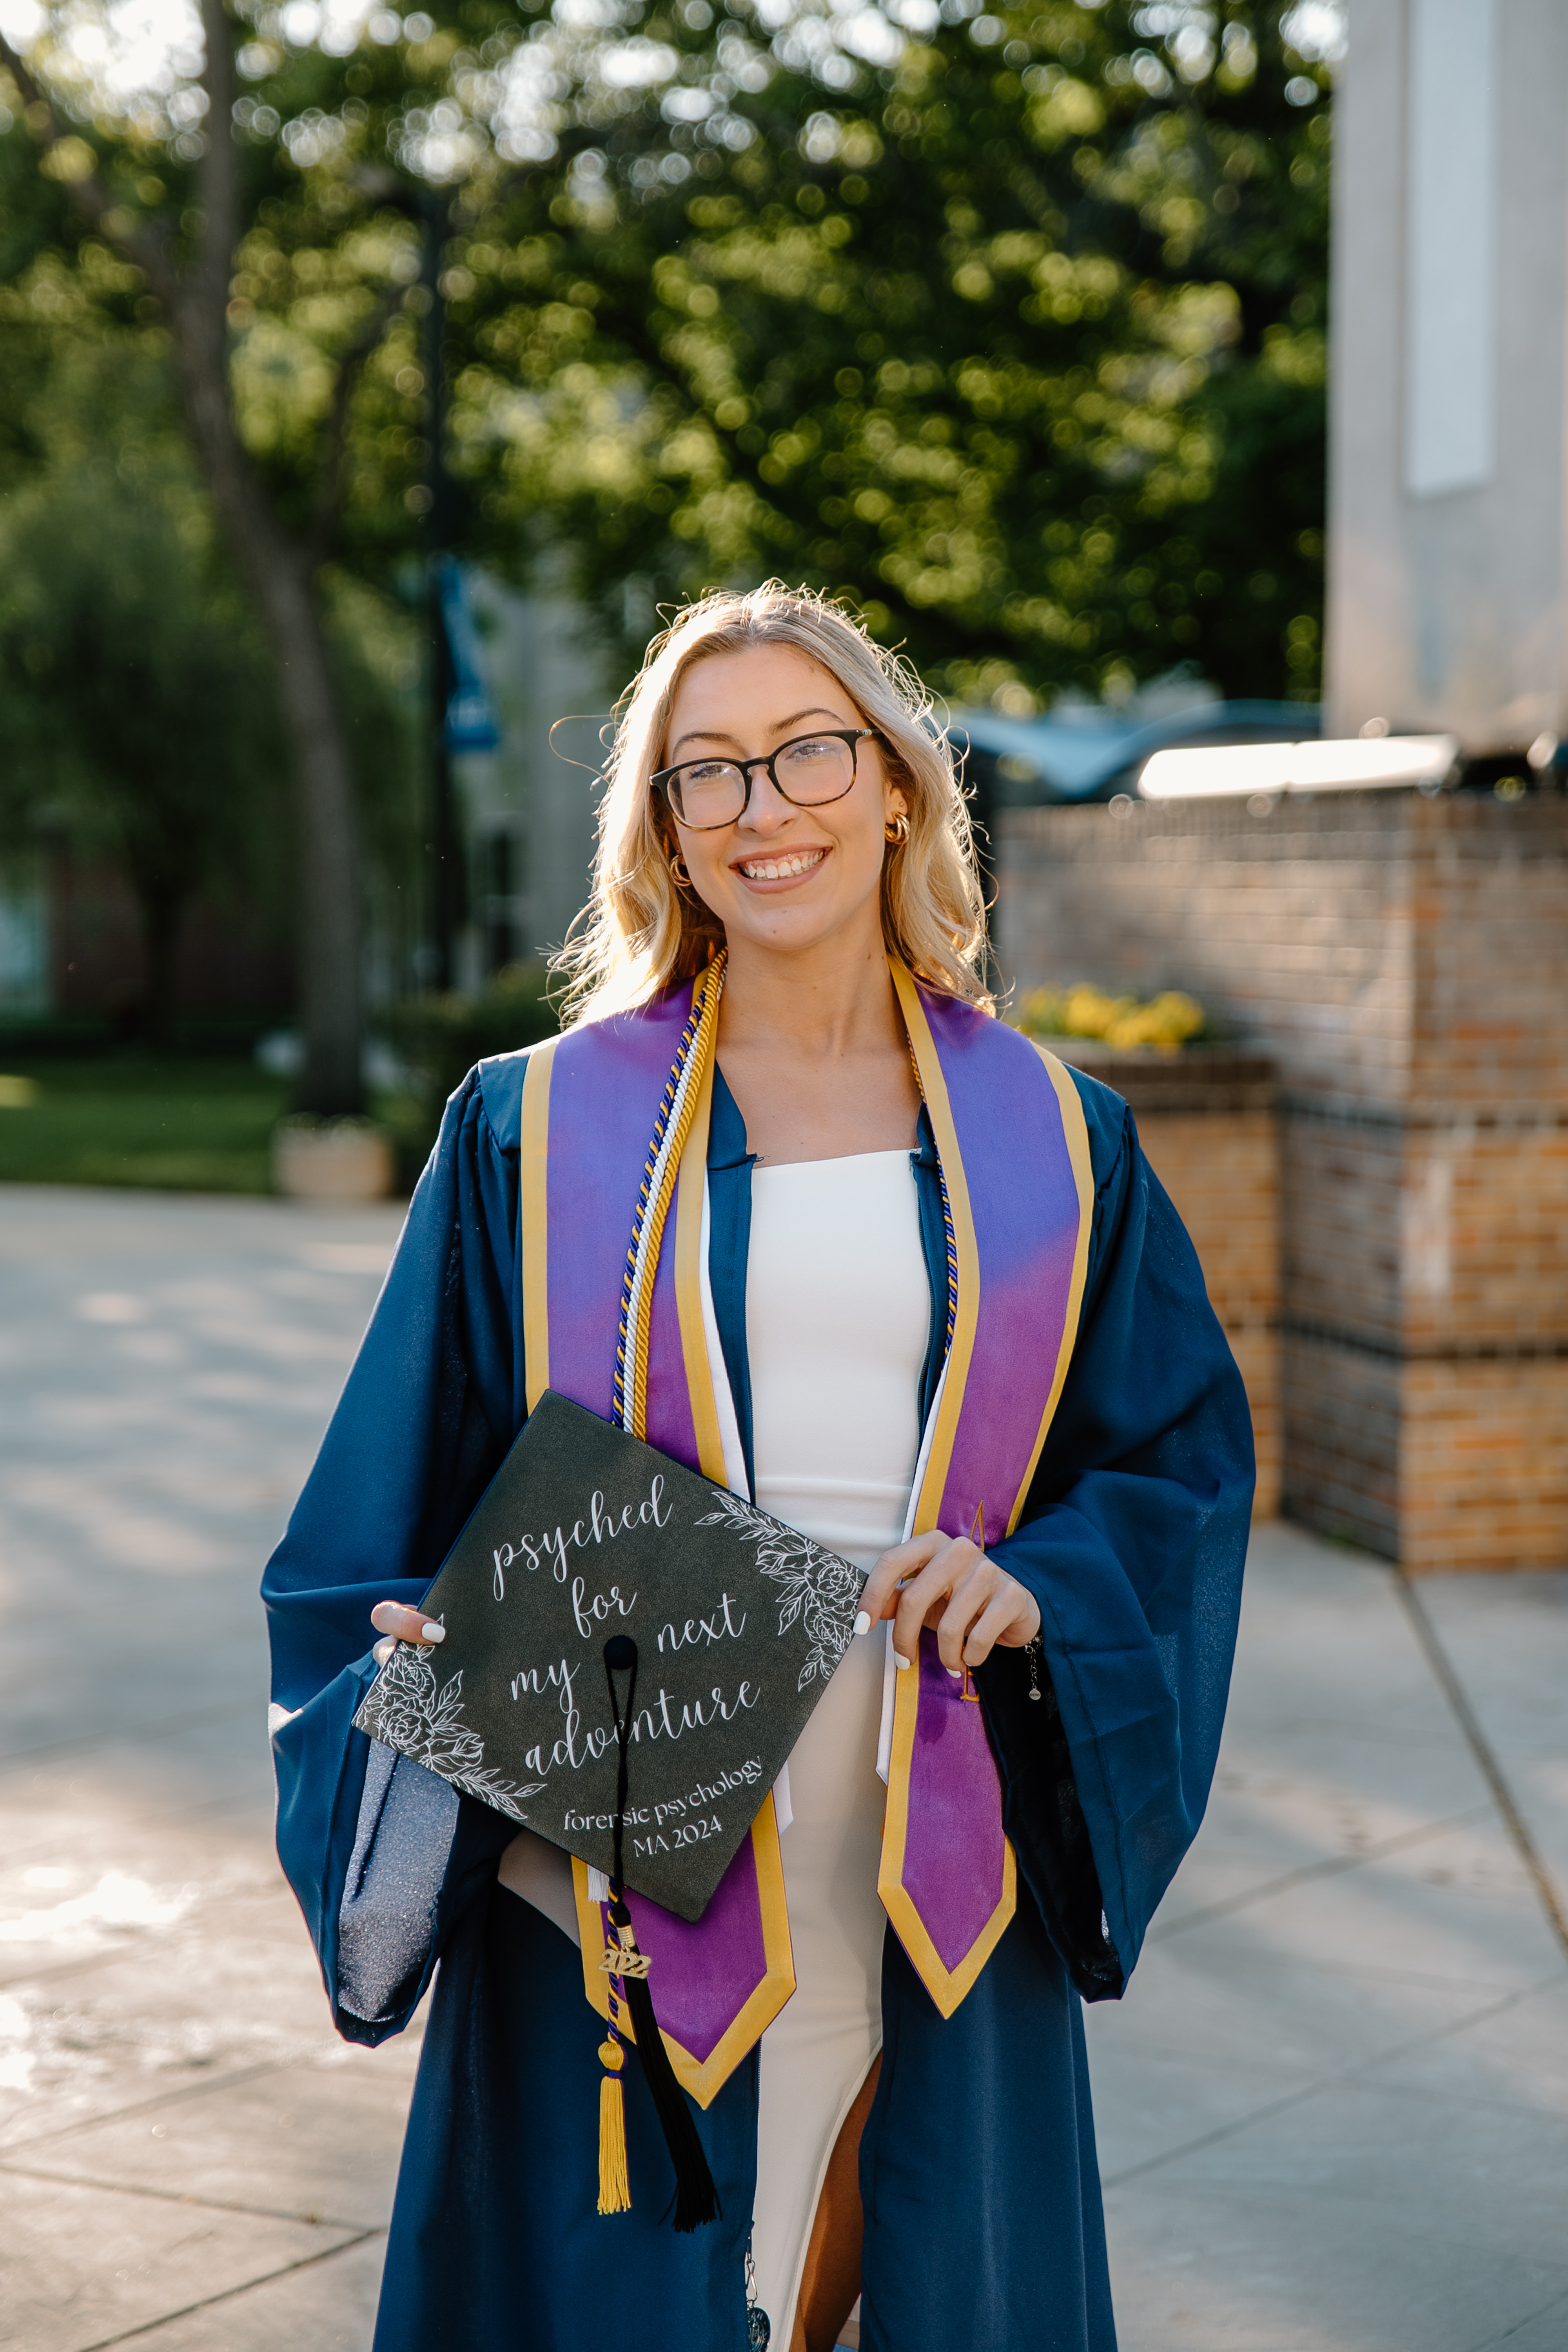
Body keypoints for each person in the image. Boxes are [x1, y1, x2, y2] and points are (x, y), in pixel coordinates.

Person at [263, 582, 1253, 2352]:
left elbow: (1170, 1459)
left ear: (895, 786)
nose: (756, 808)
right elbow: (375, 1522)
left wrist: (1042, 1580)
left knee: (910, 2277)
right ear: (660, 830)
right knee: (637, 2290)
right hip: (618, 1838)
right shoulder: (535, 1124)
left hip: (935, 1816)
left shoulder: (1056, 1135)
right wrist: (408, 1676)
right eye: (700, 773)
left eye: (805, 751)